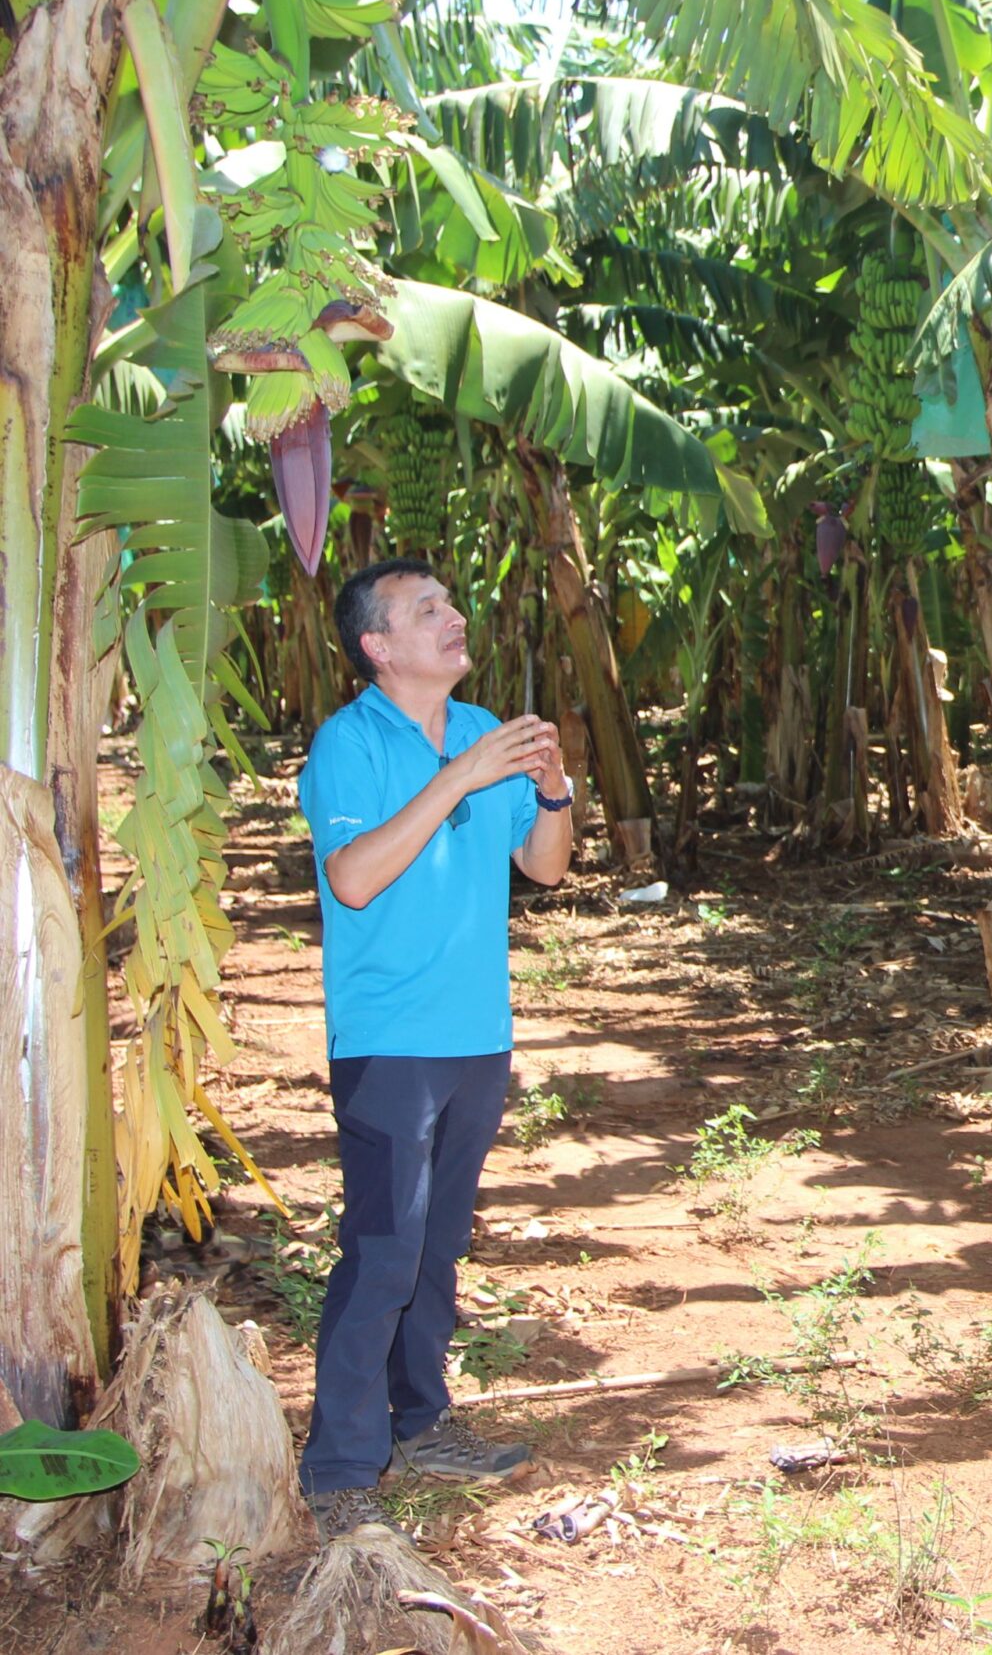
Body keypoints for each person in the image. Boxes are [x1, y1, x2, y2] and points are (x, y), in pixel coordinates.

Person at [294, 558, 576, 1539]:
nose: (454, 617)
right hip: (387, 1040)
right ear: (378, 647)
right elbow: (356, 877)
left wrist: (550, 789)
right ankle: (338, 1471)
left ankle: (421, 1423)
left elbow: (543, 869)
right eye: (427, 610)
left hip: (475, 1034)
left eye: (451, 602)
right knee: (381, 1251)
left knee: (439, 1247)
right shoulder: (349, 743)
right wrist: (456, 777)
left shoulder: (479, 730)